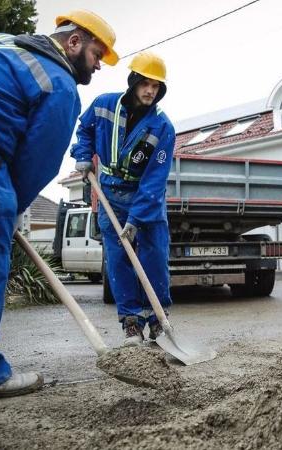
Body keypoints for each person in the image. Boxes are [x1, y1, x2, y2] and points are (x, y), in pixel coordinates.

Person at [0, 10, 118, 404]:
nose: (97, 66)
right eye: (96, 54)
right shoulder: (58, 83)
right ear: (73, 42)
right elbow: (35, 165)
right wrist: (4, 213)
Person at [71, 52, 175, 347]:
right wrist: (82, 157)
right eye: (145, 83)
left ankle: (157, 320)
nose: (150, 91)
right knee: (118, 261)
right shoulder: (104, 104)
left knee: (154, 258)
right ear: (133, 81)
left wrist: (136, 219)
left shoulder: (163, 127)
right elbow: (84, 129)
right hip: (109, 195)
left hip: (146, 198)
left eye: (156, 87)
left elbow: (155, 178)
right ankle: (131, 323)